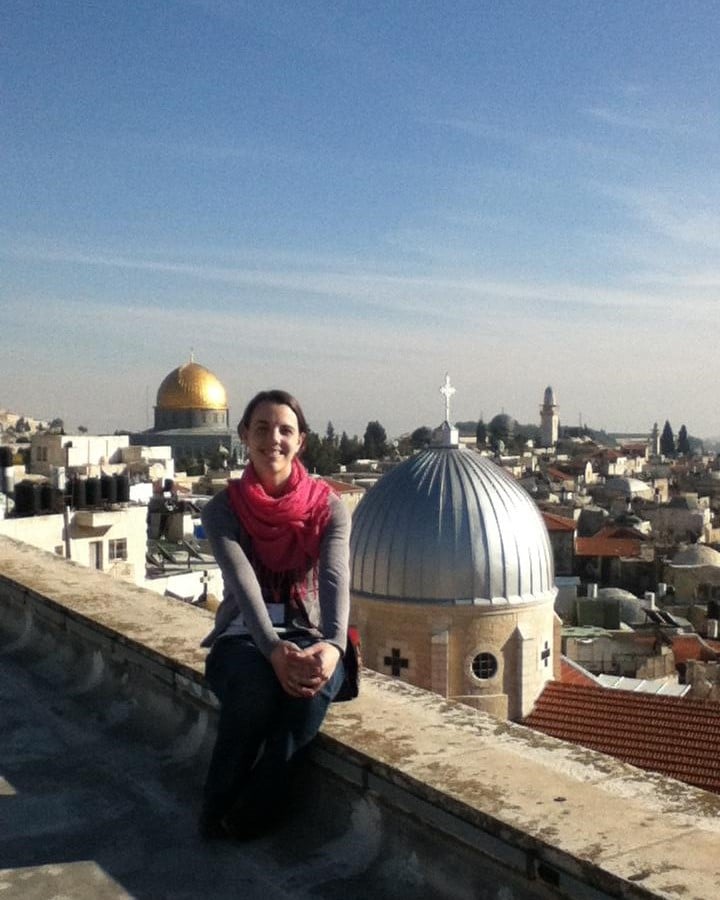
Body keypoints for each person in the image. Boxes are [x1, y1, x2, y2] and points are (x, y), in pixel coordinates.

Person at [198, 389, 350, 840]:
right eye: (261, 428)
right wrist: (272, 650)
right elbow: (245, 589)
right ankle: (218, 804)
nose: (273, 439)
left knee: (306, 698)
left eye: (285, 430)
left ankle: (253, 807)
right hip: (246, 636)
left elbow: (336, 580)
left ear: (300, 440)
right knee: (253, 693)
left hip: (313, 633)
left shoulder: (329, 508)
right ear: (244, 435)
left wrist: (333, 647)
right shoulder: (222, 510)